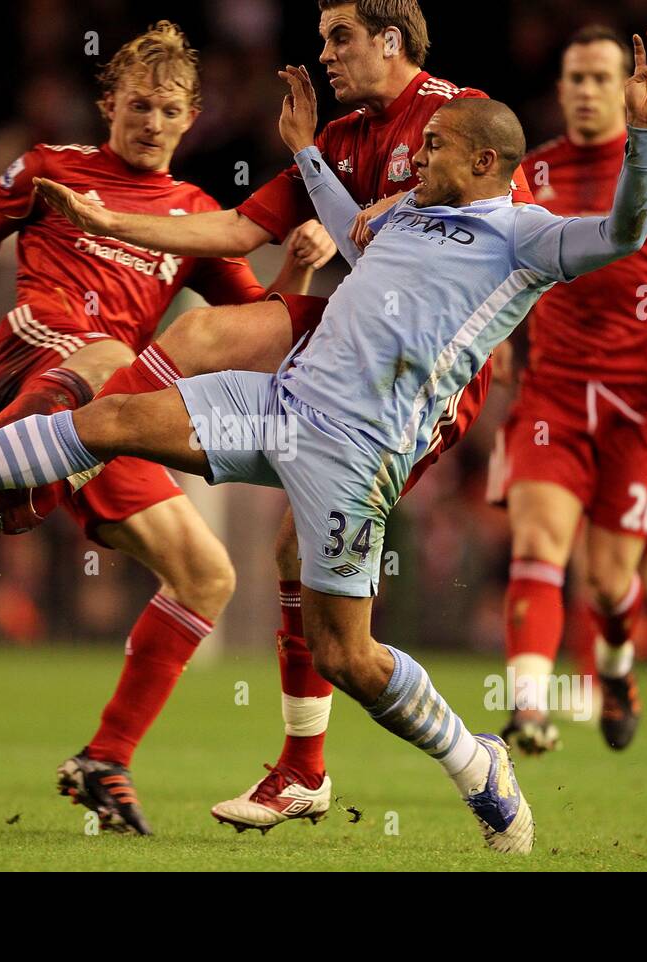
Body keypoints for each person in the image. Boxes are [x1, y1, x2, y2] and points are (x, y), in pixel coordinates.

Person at [0, 29, 647, 853]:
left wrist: (643, 133)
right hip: (278, 404)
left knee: (348, 653)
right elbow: (345, 221)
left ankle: (474, 760)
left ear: (484, 162)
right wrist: (308, 152)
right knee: (115, 417)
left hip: (356, 457)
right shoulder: (410, 217)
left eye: (435, 152)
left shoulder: (525, 238)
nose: (417, 163)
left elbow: (625, 232)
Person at [33, 0, 535, 832]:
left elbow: (510, 232)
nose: (325, 54)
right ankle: (306, 769)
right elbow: (233, 230)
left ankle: (340, 764)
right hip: (343, 346)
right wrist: (102, 217)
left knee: (314, 586)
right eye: (322, 37)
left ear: (391, 40)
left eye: (341, 37)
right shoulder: (337, 140)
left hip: (408, 385)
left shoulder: (452, 121)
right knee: (210, 352)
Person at [0, 22, 325, 835]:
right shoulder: (50, 171)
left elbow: (253, 325)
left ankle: (106, 757)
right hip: (36, 364)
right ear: (109, 105)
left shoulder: (194, 217)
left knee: (208, 575)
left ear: (190, 121)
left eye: (170, 109)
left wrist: (300, 274)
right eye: (139, 104)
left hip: (106, 420)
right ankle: (5, 471)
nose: (151, 120)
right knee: (113, 352)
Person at [486, 26, 647, 753]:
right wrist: (495, 343)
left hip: (643, 400)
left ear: (624, 85)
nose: (586, 91)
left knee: (610, 583)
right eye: (574, 78)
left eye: (601, 78)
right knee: (540, 541)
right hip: (555, 392)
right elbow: (493, 268)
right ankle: (530, 707)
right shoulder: (531, 173)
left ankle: (616, 668)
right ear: (561, 87)